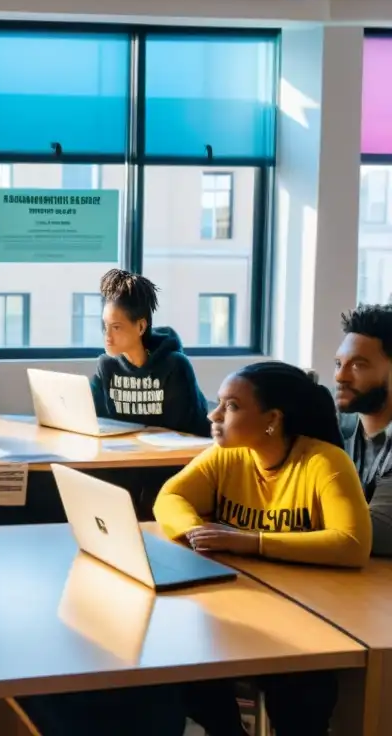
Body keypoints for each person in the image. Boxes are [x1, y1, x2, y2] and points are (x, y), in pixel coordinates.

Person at [154, 360, 372, 736]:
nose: (214, 413)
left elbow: (352, 544)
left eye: (232, 406)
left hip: (311, 619)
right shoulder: (228, 454)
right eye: (220, 402)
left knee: (302, 693)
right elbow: (169, 497)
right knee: (180, 659)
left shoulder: (324, 462)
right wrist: (196, 533)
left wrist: (249, 542)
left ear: (272, 419)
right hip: (245, 606)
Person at [91, 269, 211, 437]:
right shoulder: (106, 366)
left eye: (116, 327)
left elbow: (184, 431)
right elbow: (94, 420)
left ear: (140, 327)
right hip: (125, 453)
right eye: (105, 325)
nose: (107, 336)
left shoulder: (175, 366)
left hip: (174, 457)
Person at [334, 303, 392, 556]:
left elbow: (377, 534)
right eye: (338, 363)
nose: (340, 376)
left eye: (358, 365)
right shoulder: (335, 426)